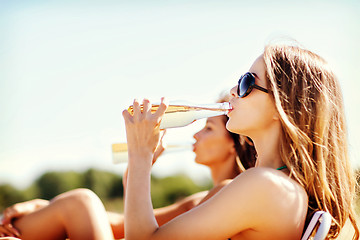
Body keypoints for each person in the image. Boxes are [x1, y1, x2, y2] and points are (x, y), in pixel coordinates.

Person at [122, 43, 359, 239]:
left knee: (84, 201)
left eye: (247, 82)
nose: (234, 90)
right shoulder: (275, 185)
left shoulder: (265, 185)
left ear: (282, 106)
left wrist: (140, 154)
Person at [0, 95, 257, 240]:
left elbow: (141, 237)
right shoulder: (208, 197)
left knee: (81, 202)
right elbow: (124, 224)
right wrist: (44, 207)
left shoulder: (228, 193)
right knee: (79, 204)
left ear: (233, 144)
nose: (195, 135)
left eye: (208, 128)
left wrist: (140, 158)